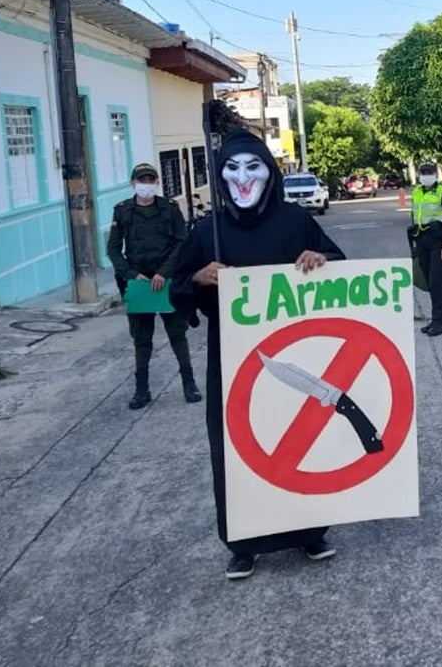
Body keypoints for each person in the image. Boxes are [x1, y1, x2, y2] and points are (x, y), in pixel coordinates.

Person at [170, 130, 345, 580]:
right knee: (235, 447)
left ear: (269, 173)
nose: (243, 177)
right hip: (230, 359)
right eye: (232, 167)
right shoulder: (205, 231)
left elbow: (340, 265)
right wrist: (198, 279)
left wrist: (319, 258)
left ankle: (310, 532)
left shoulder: (295, 221)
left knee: (303, 437)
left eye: (254, 166)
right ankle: (243, 543)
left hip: (297, 355)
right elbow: (168, 290)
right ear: (221, 175)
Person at [106, 162, 199, 410]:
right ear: (133, 184)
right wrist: (131, 274)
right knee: (141, 340)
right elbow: (113, 249)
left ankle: (189, 384)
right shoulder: (123, 211)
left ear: (156, 183)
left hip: (166, 282)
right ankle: (141, 390)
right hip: (138, 284)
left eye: (150, 180)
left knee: (177, 335)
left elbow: (182, 242)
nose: (146, 184)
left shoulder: (169, 209)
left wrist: (164, 272)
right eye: (141, 180)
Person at [408, 163, 442, 337]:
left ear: (435, 175)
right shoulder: (416, 192)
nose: (425, 175)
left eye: (429, 173)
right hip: (422, 242)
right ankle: (434, 319)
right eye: (423, 173)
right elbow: (415, 216)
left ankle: (440, 322)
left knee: (436, 283)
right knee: (429, 282)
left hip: (439, 243)